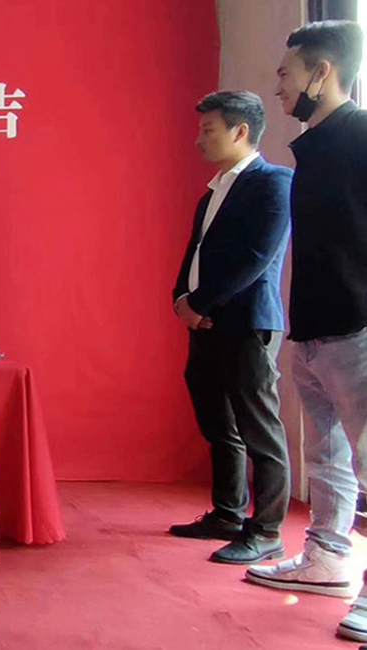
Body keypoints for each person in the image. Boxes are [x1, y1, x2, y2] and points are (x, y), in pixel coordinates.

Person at [243, 20, 367, 643]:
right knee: (325, 455)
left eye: (286, 74)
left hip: (358, 327)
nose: (279, 87)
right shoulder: (311, 147)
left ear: (323, 72)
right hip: (312, 328)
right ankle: (325, 557)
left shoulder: (362, 136)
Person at [169, 91, 293, 565]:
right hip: (204, 323)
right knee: (218, 424)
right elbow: (195, 253)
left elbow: (256, 258)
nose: (199, 139)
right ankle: (227, 513)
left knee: (259, 429)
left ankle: (267, 530)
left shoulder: (273, 183)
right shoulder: (212, 192)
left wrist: (200, 303)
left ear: (241, 131)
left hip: (247, 323)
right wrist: (181, 300)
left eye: (209, 130)